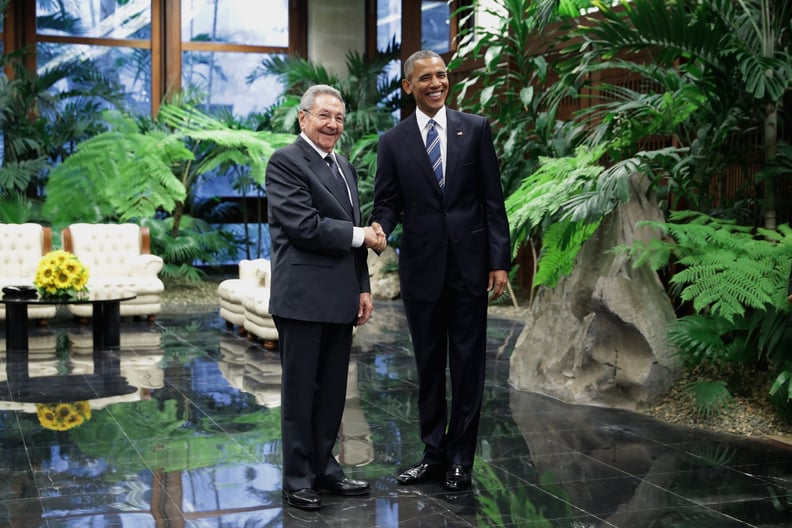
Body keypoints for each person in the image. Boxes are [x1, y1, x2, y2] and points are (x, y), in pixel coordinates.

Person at [372, 50, 511, 491]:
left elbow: (493, 200)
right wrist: (380, 227)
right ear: (408, 86)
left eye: (442, 75)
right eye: (425, 77)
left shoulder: (475, 129)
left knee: (468, 365)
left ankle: (460, 460)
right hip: (422, 269)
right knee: (429, 365)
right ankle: (432, 454)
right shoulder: (393, 142)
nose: (436, 83)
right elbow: (388, 202)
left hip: (470, 268)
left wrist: (499, 260)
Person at [266, 84, 386, 511]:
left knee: (334, 392)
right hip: (301, 299)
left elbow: (354, 235)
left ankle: (325, 469)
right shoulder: (285, 162)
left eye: (338, 118)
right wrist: (363, 236)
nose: (333, 124)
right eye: (324, 116)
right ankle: (297, 478)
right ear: (303, 118)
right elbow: (304, 225)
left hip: (340, 299)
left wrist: (364, 287)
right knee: (301, 393)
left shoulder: (345, 167)